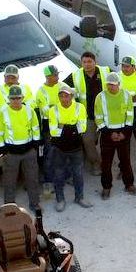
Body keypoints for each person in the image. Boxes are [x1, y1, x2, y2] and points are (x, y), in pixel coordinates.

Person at [0, 85, 42, 212]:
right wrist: (2, 150)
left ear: (22, 98)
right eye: (13, 98)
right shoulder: (2, 113)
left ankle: (35, 204)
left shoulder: (29, 110)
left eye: (18, 98)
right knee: (9, 181)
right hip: (11, 153)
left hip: (28, 151)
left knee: (32, 179)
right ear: (9, 99)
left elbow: (35, 128)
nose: (16, 101)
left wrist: (35, 145)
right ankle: (9, 207)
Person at [47, 83, 91, 212]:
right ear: (59, 97)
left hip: (76, 147)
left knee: (78, 174)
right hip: (59, 148)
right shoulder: (53, 110)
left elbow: (83, 127)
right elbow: (53, 131)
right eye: (61, 96)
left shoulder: (80, 107)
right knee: (58, 174)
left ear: (71, 96)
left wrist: (62, 126)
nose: (64, 99)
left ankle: (80, 197)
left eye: (67, 96)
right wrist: (72, 127)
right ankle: (60, 199)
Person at [95, 72, 136, 200]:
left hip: (123, 134)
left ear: (119, 84)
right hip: (107, 134)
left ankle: (129, 184)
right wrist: (110, 133)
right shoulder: (100, 97)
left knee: (125, 161)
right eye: (109, 85)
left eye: (113, 85)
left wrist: (124, 133)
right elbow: (99, 118)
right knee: (106, 163)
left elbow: (130, 116)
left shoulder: (126, 95)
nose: (111, 87)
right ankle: (106, 187)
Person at [67, 52, 109, 176]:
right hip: (88, 116)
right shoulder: (76, 75)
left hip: (106, 114)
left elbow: (121, 77)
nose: (87, 64)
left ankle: (108, 163)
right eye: (84, 62)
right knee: (87, 140)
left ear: (95, 62)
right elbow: (62, 86)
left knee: (109, 140)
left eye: (89, 62)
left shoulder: (105, 71)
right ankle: (96, 163)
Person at [33, 64, 61, 197]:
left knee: (63, 152)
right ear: (48, 77)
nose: (57, 77)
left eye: (57, 74)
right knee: (49, 154)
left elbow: (70, 102)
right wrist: (60, 108)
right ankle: (48, 182)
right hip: (49, 127)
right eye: (55, 75)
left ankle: (62, 177)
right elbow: (46, 111)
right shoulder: (41, 91)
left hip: (63, 124)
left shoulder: (62, 86)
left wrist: (54, 108)